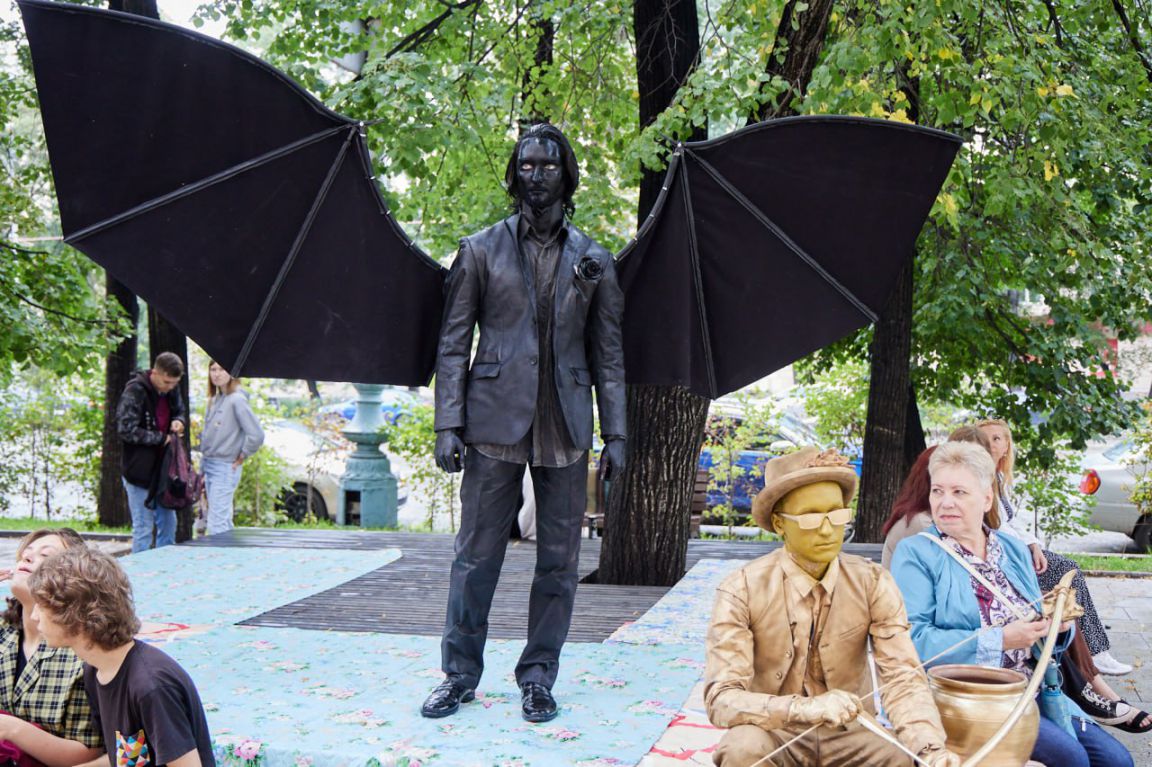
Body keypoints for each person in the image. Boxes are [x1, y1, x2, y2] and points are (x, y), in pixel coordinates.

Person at [423, 123, 626, 724]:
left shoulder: (594, 258)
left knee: (559, 563)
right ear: (515, 174)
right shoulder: (479, 249)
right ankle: (459, 674)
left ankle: (538, 677)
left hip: (565, 426)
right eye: (528, 164)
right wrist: (447, 423)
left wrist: (616, 434)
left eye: (549, 165)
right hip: (492, 423)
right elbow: (452, 343)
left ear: (567, 175)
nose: (538, 175)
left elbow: (610, 354)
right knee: (475, 556)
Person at [705, 447, 960, 767]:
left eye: (837, 514)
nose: (827, 529)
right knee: (741, 749)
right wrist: (802, 708)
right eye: (811, 517)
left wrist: (928, 747)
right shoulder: (740, 588)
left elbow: (902, 678)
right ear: (779, 524)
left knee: (899, 757)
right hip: (773, 731)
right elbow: (721, 698)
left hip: (851, 732)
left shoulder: (872, 581)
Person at [882, 440, 1151, 733]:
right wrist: (1000, 640)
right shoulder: (917, 551)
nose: (946, 502)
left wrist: (1055, 627)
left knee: (1114, 756)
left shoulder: (1011, 548)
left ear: (987, 499)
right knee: (1072, 755)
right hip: (969, 699)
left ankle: (1088, 695)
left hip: (1035, 689)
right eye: (938, 491)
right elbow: (913, 640)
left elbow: (1037, 626)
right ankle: (1090, 697)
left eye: (959, 492)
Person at [28, 547, 214, 767]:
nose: (34, 616)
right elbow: (125, 758)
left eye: (41, 606)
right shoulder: (95, 669)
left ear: (75, 614)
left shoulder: (150, 686)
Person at [976, 418, 1132, 676]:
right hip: (1006, 560)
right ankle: (1094, 654)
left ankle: (1096, 652)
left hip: (1017, 551)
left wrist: (1033, 544)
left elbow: (1012, 520)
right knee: (1067, 572)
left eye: (996, 438)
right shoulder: (980, 479)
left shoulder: (999, 477)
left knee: (1069, 573)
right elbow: (998, 528)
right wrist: (1027, 548)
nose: (990, 444)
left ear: (1006, 446)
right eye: (984, 439)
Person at [0, 529, 103, 766]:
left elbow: (90, 753)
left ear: (74, 581)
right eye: (26, 553)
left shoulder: (83, 655)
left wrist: (12, 729)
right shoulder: (4, 631)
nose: (27, 558)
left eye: (45, 556)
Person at [116, 351, 186, 553]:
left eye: (174, 383)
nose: (170, 387)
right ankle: (140, 568)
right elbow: (125, 430)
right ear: (154, 373)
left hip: (165, 470)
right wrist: (160, 438)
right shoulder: (135, 391)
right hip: (138, 469)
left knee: (169, 523)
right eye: (166, 382)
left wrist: (179, 421)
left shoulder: (172, 390)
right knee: (143, 527)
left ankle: (165, 565)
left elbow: (180, 411)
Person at [197, 361, 264, 536]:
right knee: (221, 520)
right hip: (209, 464)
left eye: (222, 369)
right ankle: (228, 552)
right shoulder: (215, 399)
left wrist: (243, 454)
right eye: (213, 369)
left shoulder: (237, 400)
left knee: (217, 523)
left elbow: (256, 434)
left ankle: (218, 553)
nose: (217, 374)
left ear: (232, 373)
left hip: (225, 466)